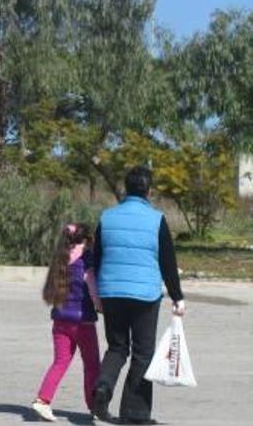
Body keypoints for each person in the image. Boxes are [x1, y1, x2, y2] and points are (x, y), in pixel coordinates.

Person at [91, 166, 186, 425]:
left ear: (126, 188)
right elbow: (168, 261)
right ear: (149, 190)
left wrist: (97, 293)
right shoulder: (156, 219)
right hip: (144, 295)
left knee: (117, 347)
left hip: (111, 292)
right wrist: (178, 296)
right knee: (143, 354)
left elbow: (96, 258)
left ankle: (103, 386)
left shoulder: (107, 217)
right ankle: (136, 414)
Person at [32, 223, 102, 422]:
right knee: (92, 366)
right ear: (86, 240)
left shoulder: (60, 258)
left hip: (60, 320)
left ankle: (43, 400)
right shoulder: (86, 257)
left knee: (60, 362)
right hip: (84, 321)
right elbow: (91, 284)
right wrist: (100, 306)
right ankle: (94, 406)